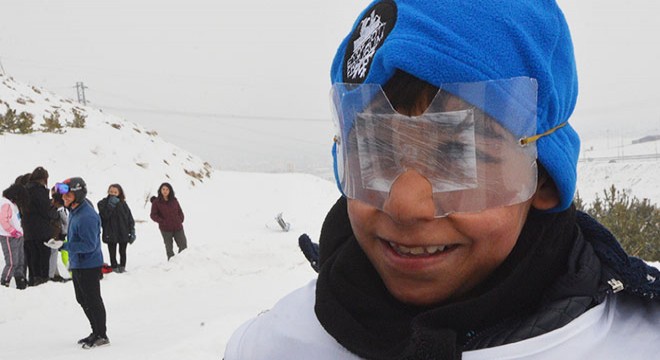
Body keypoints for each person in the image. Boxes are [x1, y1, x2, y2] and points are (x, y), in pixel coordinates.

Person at [224, 1, 660, 359]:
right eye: (374, 151)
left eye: (459, 155)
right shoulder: (272, 346)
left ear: (543, 178)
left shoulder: (637, 344)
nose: (405, 206)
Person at [45, 177, 110, 349]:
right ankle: (95, 331)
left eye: (69, 196)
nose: (65, 199)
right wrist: (61, 241)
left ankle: (101, 335)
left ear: (78, 195)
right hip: (78, 263)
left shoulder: (87, 216)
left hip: (89, 264)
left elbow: (89, 245)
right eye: (64, 196)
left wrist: (64, 245)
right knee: (82, 299)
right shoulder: (75, 211)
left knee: (93, 299)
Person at [22, 166, 58, 286]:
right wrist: (53, 207)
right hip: (41, 231)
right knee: (42, 258)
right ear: (44, 179)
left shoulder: (25, 190)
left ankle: (33, 280)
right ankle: (42, 283)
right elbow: (45, 211)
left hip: (28, 231)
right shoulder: (40, 191)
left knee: (32, 259)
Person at [97, 183, 135, 273]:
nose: (113, 193)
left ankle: (122, 267)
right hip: (110, 231)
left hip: (123, 231)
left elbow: (129, 218)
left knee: (123, 251)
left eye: (115, 192)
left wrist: (132, 230)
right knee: (112, 252)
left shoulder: (123, 203)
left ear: (119, 193)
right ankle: (114, 267)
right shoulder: (102, 203)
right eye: (111, 191)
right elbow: (104, 216)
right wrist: (110, 205)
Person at [0, 183, 29, 289]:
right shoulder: (6, 203)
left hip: (18, 236)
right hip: (8, 236)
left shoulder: (13, 204)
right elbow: (3, 220)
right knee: (12, 262)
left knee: (20, 260)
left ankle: (20, 280)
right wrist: (12, 231)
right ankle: (4, 282)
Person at [150, 182, 187, 260]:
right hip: (166, 229)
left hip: (178, 227)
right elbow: (153, 215)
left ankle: (182, 261)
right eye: (163, 189)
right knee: (169, 248)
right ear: (160, 190)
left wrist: (181, 219)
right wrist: (163, 221)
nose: (165, 191)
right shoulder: (156, 202)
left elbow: (179, 210)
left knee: (183, 246)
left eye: (167, 189)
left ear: (170, 191)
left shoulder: (174, 200)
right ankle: (172, 264)